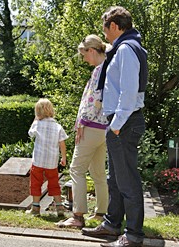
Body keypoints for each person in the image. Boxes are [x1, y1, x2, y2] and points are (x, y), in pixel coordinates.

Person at [81, 6, 147, 247]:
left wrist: (116, 125)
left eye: (105, 28)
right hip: (121, 122)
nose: (104, 33)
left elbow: (129, 94)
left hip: (124, 123)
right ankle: (111, 224)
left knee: (127, 180)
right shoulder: (122, 48)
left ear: (115, 26)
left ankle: (133, 235)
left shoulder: (127, 50)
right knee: (115, 179)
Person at [57, 35, 109, 228]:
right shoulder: (109, 67)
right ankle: (102, 213)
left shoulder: (98, 71)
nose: (84, 59)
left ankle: (77, 216)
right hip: (104, 129)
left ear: (92, 51)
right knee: (98, 172)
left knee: (76, 169)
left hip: (92, 127)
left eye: (84, 54)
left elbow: (94, 100)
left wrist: (82, 123)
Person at [26, 98, 68, 216]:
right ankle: (59, 207)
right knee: (54, 182)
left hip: (38, 161)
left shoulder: (37, 124)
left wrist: (35, 120)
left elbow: (30, 134)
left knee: (36, 183)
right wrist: (63, 157)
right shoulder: (57, 126)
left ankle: (35, 208)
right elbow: (62, 143)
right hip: (52, 162)